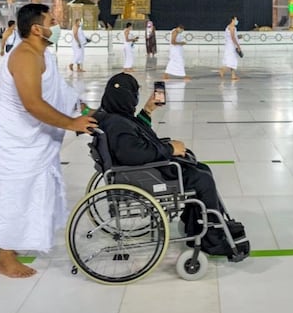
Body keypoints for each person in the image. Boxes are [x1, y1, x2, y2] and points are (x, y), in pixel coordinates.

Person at [0, 3, 96, 278]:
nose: (57, 25)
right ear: (37, 28)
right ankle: (4, 259)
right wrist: (71, 123)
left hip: (30, 141)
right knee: (12, 197)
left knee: (27, 194)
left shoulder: (45, 55)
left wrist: (84, 110)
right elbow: (33, 104)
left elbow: (60, 92)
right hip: (10, 142)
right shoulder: (25, 57)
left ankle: (11, 242)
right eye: (52, 21)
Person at [96, 73, 232, 254]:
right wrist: (169, 149)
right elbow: (134, 154)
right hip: (148, 174)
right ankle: (213, 239)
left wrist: (147, 110)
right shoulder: (117, 124)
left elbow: (134, 133)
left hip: (144, 170)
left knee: (201, 169)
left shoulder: (114, 115)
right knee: (202, 179)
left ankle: (193, 221)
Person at [219, 16, 242, 80]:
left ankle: (233, 75)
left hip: (229, 45)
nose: (236, 21)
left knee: (233, 60)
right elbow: (232, 37)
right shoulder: (232, 27)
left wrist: (238, 37)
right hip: (231, 46)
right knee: (231, 60)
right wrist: (238, 46)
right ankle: (222, 70)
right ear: (232, 20)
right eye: (235, 19)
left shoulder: (229, 27)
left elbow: (232, 36)